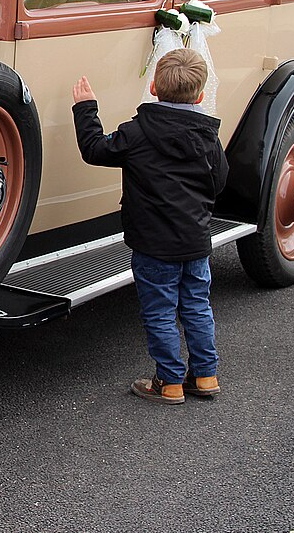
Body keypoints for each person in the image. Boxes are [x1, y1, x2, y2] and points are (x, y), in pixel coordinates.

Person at [71, 48, 228, 405]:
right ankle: (205, 375)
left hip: (153, 244)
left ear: (154, 87)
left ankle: (169, 382)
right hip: (195, 241)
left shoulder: (137, 132)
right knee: (197, 306)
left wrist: (86, 108)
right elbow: (219, 181)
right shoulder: (208, 136)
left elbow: (95, 150)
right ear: (201, 95)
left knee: (160, 310)